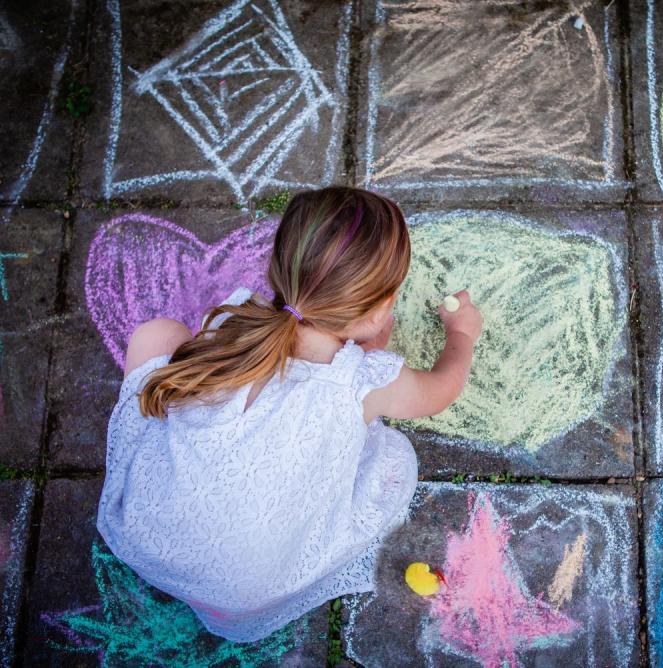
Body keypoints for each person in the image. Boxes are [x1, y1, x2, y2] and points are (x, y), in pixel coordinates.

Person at [95, 185, 483, 643]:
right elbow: (441, 389)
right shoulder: (364, 383)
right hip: (247, 590)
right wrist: (463, 335)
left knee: (158, 334)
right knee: (391, 464)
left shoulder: (232, 323)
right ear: (381, 311)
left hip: (145, 535)